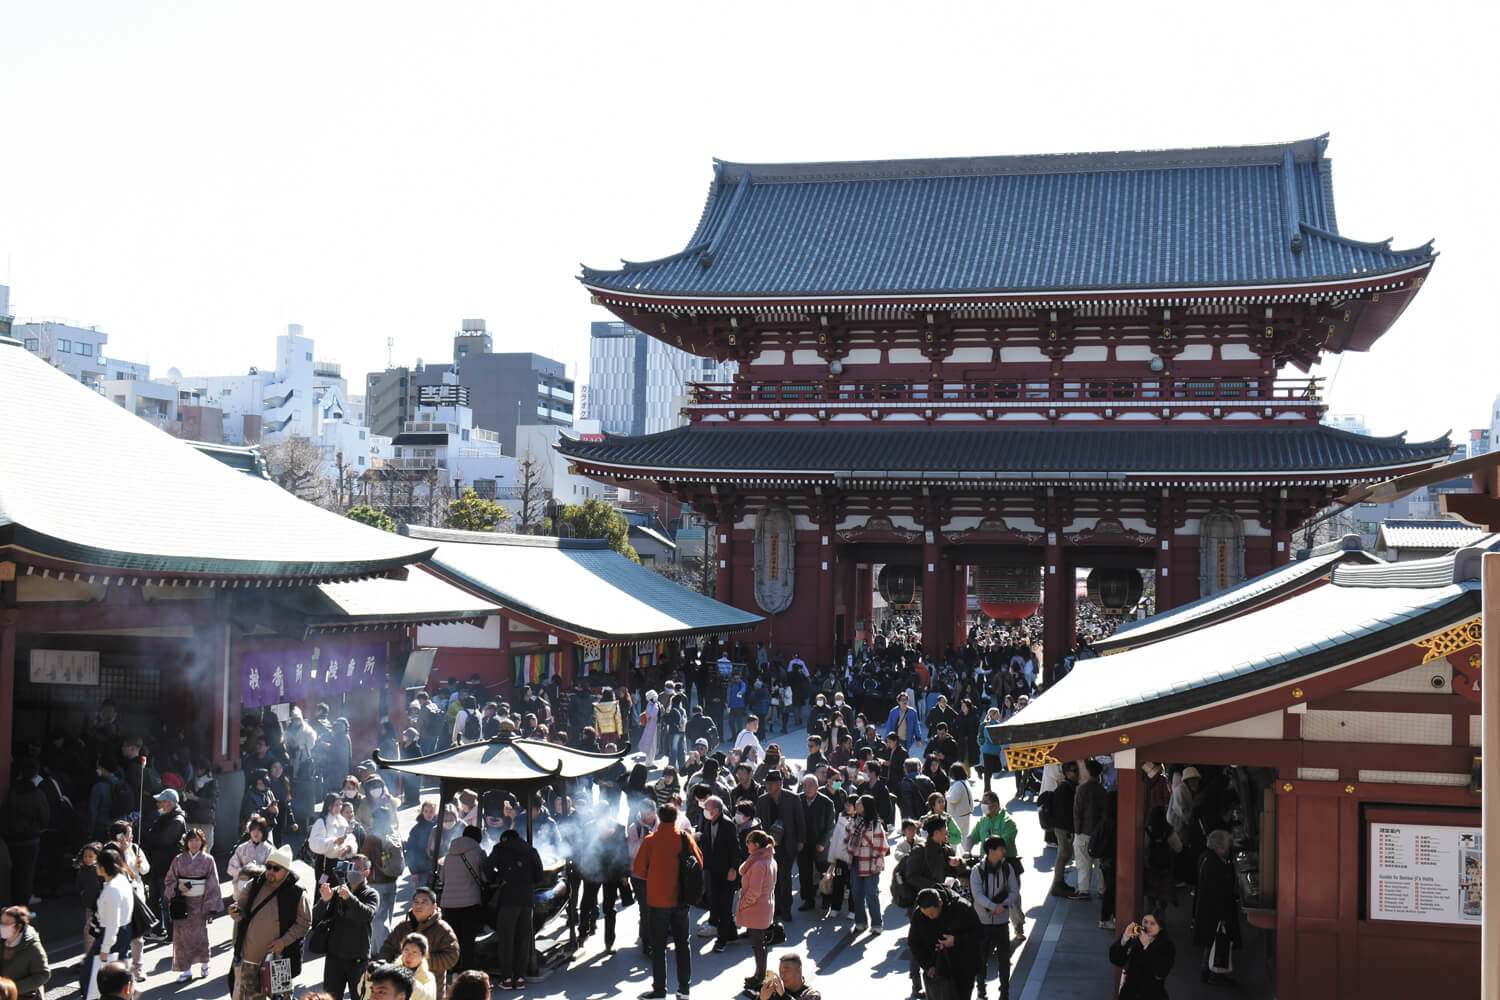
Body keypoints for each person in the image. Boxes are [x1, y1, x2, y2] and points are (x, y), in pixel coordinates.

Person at [631, 803, 704, 1000]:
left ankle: (659, 990)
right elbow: (699, 861)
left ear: (659, 817)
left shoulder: (650, 840)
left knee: (658, 947)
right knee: (682, 945)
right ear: (676, 818)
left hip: (657, 900)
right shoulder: (684, 837)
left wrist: (654, 874)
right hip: (681, 899)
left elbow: (639, 870)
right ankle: (684, 990)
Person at [229, 844, 311, 1000]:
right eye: (268, 867)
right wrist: (235, 913)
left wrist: (284, 941)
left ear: (286, 871)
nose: (270, 871)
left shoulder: (297, 892)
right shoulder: (255, 884)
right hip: (250, 959)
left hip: (279, 960)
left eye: (276, 868)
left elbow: (304, 922)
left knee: (280, 998)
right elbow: (241, 909)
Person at [313, 854, 379, 1000]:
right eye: (351, 867)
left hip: (358, 959)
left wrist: (349, 898)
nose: (353, 871)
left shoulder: (371, 894)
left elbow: (366, 915)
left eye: (358, 868)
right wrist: (324, 901)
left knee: (359, 996)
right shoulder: (337, 890)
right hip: (334, 957)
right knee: (331, 996)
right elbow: (317, 915)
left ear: (367, 873)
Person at [375, 888, 460, 998]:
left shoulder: (442, 929)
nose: (419, 906)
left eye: (424, 902)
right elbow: (387, 948)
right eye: (416, 902)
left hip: (430, 990)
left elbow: (452, 957)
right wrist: (385, 965)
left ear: (434, 906)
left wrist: (422, 959)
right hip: (400, 988)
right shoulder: (403, 926)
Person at [163, 827, 222, 981]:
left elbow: (213, 883)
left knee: (200, 935)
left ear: (202, 842)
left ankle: (205, 962)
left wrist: (210, 905)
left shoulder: (208, 860)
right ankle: (186, 969)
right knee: (181, 937)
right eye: (191, 840)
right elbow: (169, 880)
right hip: (182, 902)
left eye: (197, 840)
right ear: (186, 842)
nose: (194, 843)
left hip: (200, 902)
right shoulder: (178, 859)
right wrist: (177, 887)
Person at [489, 829, 543, 990]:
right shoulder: (531, 850)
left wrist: (499, 879)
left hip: (508, 899)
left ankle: (506, 978)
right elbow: (539, 875)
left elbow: (487, 867)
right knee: (523, 938)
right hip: (527, 899)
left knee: (506, 939)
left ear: (504, 838)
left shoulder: (500, 848)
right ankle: (520, 978)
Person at [909, 887, 985, 1000]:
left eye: (932, 913)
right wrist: (927, 966)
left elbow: (979, 934)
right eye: (926, 914)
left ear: (940, 903)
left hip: (963, 969)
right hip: (937, 972)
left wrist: (956, 941)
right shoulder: (919, 914)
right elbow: (914, 943)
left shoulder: (961, 907)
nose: (930, 917)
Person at [78, 848, 132, 996]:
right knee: (120, 976)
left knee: (90, 975)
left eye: (97, 864)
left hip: (111, 934)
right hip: (123, 931)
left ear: (102, 867)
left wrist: (105, 948)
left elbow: (113, 921)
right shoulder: (121, 880)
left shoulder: (112, 889)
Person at [969, 837, 1017, 1000]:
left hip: (1002, 922)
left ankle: (1005, 992)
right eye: (1001, 849)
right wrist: (993, 906)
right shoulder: (977, 870)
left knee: (1004, 960)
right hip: (982, 922)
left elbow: (1014, 891)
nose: (1004, 852)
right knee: (980, 959)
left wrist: (1003, 905)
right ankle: (981, 991)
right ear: (990, 851)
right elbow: (977, 895)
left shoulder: (1007, 868)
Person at [578, 808, 631, 953]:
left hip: (612, 872)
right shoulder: (589, 827)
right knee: (586, 904)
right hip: (593, 870)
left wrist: (625, 873)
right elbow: (584, 847)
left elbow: (624, 850)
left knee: (609, 908)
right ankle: (582, 935)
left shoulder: (619, 827)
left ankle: (609, 942)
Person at [754, 772, 805, 922]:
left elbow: (800, 821)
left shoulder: (793, 798)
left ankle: (786, 909)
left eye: (772, 783)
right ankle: (774, 908)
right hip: (769, 845)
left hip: (787, 844)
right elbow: (758, 822)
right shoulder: (763, 800)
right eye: (767, 783)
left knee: (785, 877)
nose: (768, 786)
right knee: (771, 878)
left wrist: (801, 840)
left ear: (780, 784)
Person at [735, 829, 779, 997]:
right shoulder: (768, 860)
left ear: (757, 844)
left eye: (749, 842)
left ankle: (760, 976)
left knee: (758, 944)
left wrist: (743, 905)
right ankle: (759, 974)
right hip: (763, 907)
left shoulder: (759, 864)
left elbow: (754, 891)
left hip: (756, 909)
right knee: (760, 943)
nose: (746, 844)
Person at [438, 825, 488, 973]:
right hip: (470, 903)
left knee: (454, 937)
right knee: (468, 938)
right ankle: (467, 968)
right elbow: (485, 877)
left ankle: (453, 966)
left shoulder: (449, 855)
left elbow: (442, 877)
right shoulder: (478, 853)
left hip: (449, 903)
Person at [1194, 829, 1241, 985]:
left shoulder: (1205, 857)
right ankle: (1214, 974)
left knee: (1210, 942)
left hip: (1206, 908)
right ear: (1219, 848)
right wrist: (1222, 915)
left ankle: (1206, 972)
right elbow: (1218, 892)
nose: (1228, 850)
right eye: (1226, 847)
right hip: (1214, 911)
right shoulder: (1215, 865)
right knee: (1217, 941)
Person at [696, 795, 739, 952]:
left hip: (726, 872)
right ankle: (731, 934)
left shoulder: (728, 824)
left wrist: (733, 868)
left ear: (715, 810)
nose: (705, 811)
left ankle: (721, 940)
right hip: (713, 870)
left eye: (707, 808)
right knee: (716, 903)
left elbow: (735, 848)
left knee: (724, 907)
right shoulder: (708, 823)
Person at [142, 789, 186, 939]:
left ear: (169, 803)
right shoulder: (162, 818)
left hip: (168, 867)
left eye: (161, 801)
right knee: (153, 899)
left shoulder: (177, 820)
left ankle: (172, 933)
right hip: (157, 865)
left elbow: (164, 840)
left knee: (167, 900)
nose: (158, 804)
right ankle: (157, 929)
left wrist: (150, 835)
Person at [841, 795, 889, 933]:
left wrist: (875, 864)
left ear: (866, 806)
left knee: (871, 893)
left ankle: (877, 924)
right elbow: (847, 839)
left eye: (859, 803)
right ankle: (860, 922)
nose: (856, 804)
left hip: (870, 862)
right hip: (855, 862)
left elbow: (881, 847)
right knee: (856, 893)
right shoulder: (853, 822)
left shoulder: (875, 824)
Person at [1108, 912, 1175, 1000]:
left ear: (1161, 927)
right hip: (1129, 992)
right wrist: (1124, 939)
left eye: (1152, 923)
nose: (1147, 926)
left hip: (1152, 994)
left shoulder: (1167, 945)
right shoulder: (1135, 937)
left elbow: (1161, 972)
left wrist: (1148, 946)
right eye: (1145, 922)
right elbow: (1116, 960)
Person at [796, 776, 834, 913]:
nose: (807, 789)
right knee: (804, 872)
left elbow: (830, 826)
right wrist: (798, 841)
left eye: (810, 785)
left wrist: (823, 843)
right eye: (805, 786)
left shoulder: (826, 802)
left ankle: (827, 899)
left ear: (817, 787)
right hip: (803, 843)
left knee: (824, 872)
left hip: (820, 843)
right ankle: (808, 900)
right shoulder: (798, 800)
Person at [1071, 759, 1107, 902]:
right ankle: (1102, 889)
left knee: (1083, 862)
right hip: (1100, 832)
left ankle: (1084, 890)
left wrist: (1076, 832)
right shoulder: (1103, 791)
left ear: (1088, 772)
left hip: (1084, 831)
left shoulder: (1082, 789)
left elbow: (1077, 812)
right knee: (1100, 864)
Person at [0, 907, 50, 1000]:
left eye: (7, 922)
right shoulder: (2, 942)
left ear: (19, 926)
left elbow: (43, 974)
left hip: (26, 996)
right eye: (1, 922)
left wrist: (12, 988)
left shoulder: (32, 947)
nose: (2, 926)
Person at [369, 934, 435, 1000]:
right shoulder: (390, 973)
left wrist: (410, 982)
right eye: (406, 951)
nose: (409, 956)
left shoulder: (427, 977)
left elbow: (428, 997)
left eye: (414, 953)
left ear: (423, 956)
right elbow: (368, 993)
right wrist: (370, 977)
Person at [1048, 761, 1079, 898]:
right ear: (1066, 773)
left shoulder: (1068, 786)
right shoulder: (1064, 788)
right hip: (1062, 827)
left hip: (1062, 826)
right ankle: (1058, 884)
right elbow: (1065, 811)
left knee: (1065, 854)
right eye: (1074, 770)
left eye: (1077, 770)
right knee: (1063, 854)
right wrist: (1070, 831)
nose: (1076, 773)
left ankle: (1059, 883)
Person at [310, 793, 358, 880]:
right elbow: (314, 843)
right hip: (325, 864)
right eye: (336, 805)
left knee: (341, 886)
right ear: (329, 806)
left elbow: (350, 838)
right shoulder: (321, 822)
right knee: (323, 886)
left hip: (341, 863)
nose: (339, 807)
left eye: (340, 804)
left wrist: (348, 848)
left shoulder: (342, 821)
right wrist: (334, 841)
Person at [945, 764, 975, 841]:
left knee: (955, 836)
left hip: (958, 815)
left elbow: (954, 799)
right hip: (966, 813)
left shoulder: (958, 784)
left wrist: (947, 796)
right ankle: (965, 848)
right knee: (964, 836)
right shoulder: (965, 782)